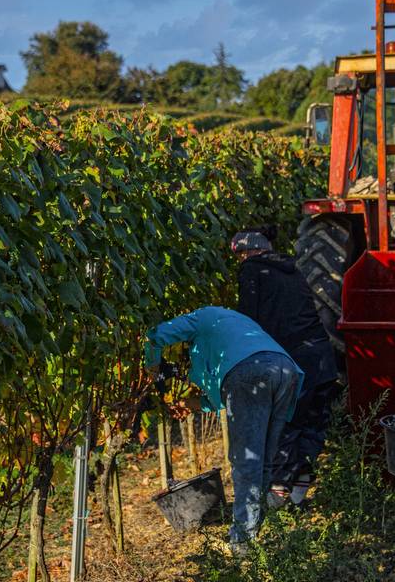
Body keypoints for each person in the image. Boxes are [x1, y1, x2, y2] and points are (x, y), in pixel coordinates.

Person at [144, 306, 302, 553]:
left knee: (246, 462)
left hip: (250, 374)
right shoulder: (233, 327)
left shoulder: (202, 317)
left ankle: (242, 543)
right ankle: (254, 532)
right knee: (264, 460)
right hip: (285, 370)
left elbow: (156, 335)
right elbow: (224, 397)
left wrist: (152, 367)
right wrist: (191, 404)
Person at [231, 231, 339, 507]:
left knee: (284, 423)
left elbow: (248, 319)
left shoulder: (252, 271)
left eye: (239, 255)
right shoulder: (294, 270)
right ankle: (299, 492)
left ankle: (278, 495)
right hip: (323, 359)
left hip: (295, 361)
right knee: (312, 424)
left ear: (248, 253)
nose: (240, 260)